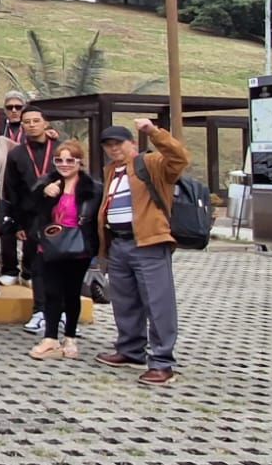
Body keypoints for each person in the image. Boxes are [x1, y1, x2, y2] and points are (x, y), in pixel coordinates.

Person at [94, 120, 189, 386]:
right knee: (124, 300)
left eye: (118, 144)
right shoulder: (111, 171)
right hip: (119, 243)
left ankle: (162, 362)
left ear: (132, 144)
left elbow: (179, 158)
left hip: (149, 242)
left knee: (158, 304)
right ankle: (130, 348)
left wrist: (153, 132)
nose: (114, 149)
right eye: (108, 145)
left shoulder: (151, 164)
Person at [28, 141, 100, 361]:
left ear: (80, 162)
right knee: (51, 292)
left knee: (72, 293)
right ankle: (50, 337)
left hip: (78, 247)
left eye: (71, 160)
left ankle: (70, 337)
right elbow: (29, 209)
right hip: (50, 245)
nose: (65, 164)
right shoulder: (47, 183)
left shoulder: (93, 188)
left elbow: (96, 219)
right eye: (59, 160)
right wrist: (43, 194)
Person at [0, 106, 60, 331]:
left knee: (62, 264)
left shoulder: (60, 149)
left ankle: (61, 311)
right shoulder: (16, 154)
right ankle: (40, 311)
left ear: (46, 123)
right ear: (21, 126)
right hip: (32, 217)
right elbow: (11, 190)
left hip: (61, 216)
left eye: (36, 120)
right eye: (27, 122)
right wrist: (17, 223)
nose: (32, 125)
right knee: (38, 266)